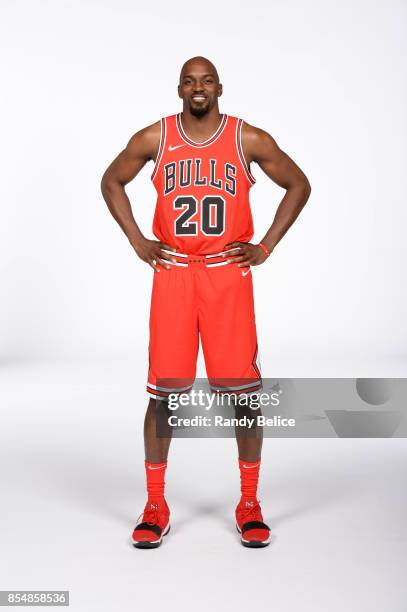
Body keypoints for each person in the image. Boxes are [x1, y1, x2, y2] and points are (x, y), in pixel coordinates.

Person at [101, 56, 311, 548]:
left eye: (207, 80)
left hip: (225, 276)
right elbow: (111, 180)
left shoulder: (247, 138)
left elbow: (298, 184)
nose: (199, 88)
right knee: (164, 393)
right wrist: (137, 240)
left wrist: (265, 245)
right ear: (179, 89)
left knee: (243, 395)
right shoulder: (156, 137)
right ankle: (155, 503)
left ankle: (250, 502)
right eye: (190, 81)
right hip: (173, 274)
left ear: (219, 87)